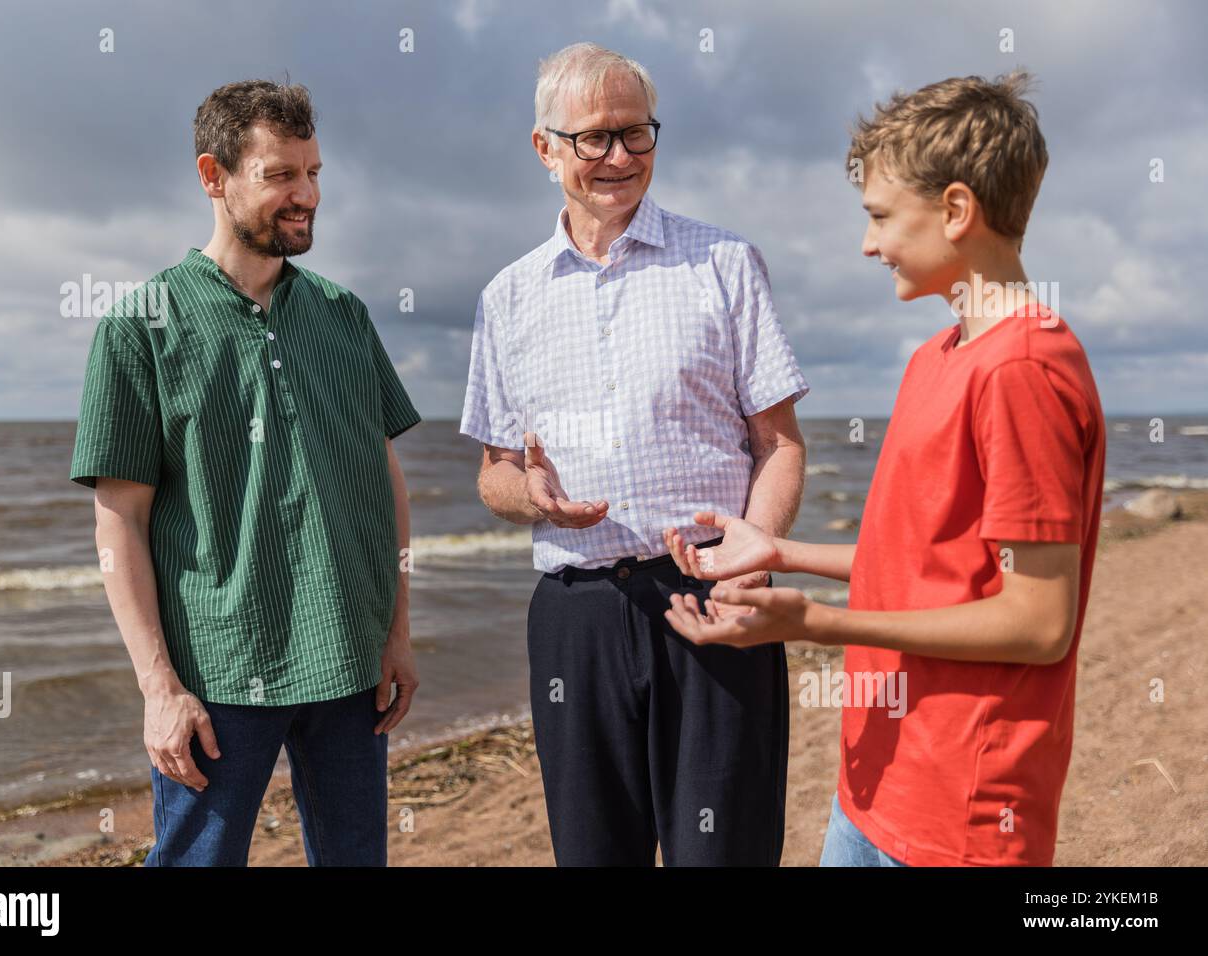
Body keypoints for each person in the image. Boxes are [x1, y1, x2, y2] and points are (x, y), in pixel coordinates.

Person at [663, 72, 1105, 866]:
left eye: (879, 218)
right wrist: (782, 554)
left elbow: (1039, 624)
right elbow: (931, 571)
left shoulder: (1023, 369)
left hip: (964, 813)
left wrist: (814, 626)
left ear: (958, 210)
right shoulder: (938, 357)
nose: (868, 245)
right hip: (877, 785)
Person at [460, 43, 810, 865]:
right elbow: (493, 474)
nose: (619, 156)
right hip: (573, 618)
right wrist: (532, 496)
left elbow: (780, 444)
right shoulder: (507, 297)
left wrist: (749, 568)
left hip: (710, 598)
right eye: (594, 139)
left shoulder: (724, 262)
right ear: (545, 149)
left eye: (636, 134)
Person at [69, 79, 422, 866]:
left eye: (315, 173)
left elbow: (384, 481)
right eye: (279, 176)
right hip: (218, 673)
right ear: (212, 176)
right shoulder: (140, 325)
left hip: (348, 663)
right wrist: (159, 688)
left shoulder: (343, 315)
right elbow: (118, 520)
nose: (306, 196)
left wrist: (396, 633)